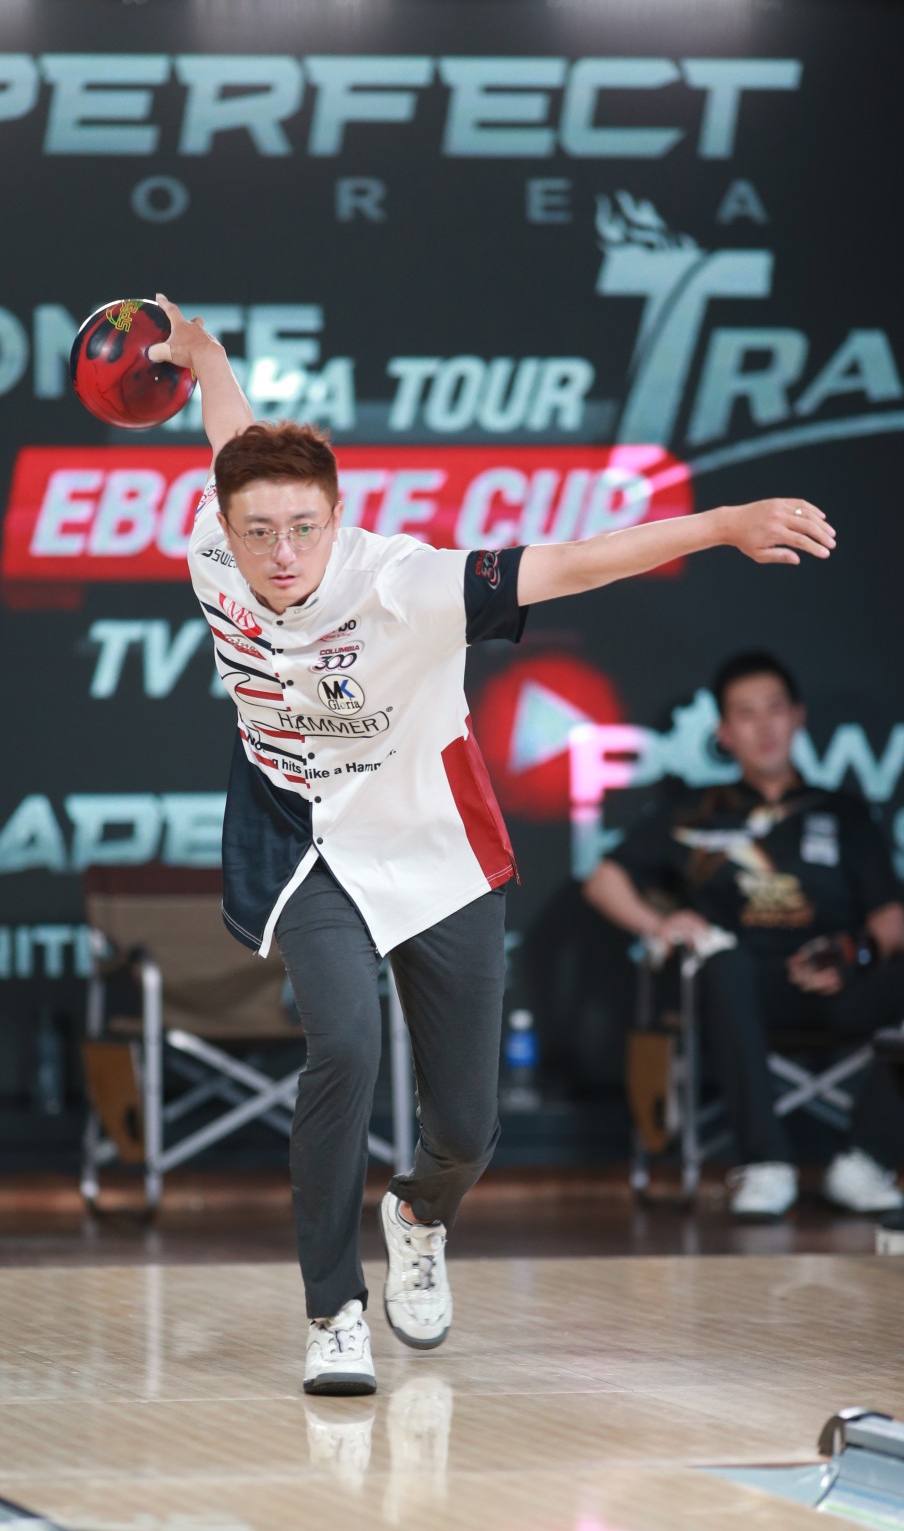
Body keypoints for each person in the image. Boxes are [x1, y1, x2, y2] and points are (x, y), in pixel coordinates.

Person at [150, 297, 836, 1393]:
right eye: (259, 531)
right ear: (223, 529)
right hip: (308, 844)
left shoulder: (407, 584)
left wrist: (718, 524)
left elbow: (577, 561)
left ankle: (421, 1214)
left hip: (436, 848)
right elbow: (234, 441)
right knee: (344, 1046)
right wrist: (209, 358)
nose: (282, 552)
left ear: (339, 517)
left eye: (305, 528)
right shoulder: (215, 549)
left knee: (467, 1130)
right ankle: (333, 1311)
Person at [584, 652, 904, 1219]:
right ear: (725, 733)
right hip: (741, 990)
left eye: (775, 709)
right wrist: (661, 924)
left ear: (798, 717)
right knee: (722, 963)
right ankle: (765, 1164)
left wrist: (855, 952)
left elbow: (890, 917)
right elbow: (603, 881)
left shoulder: (844, 812)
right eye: (746, 714)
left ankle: (866, 1161)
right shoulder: (696, 812)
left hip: (836, 984)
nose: (764, 727)